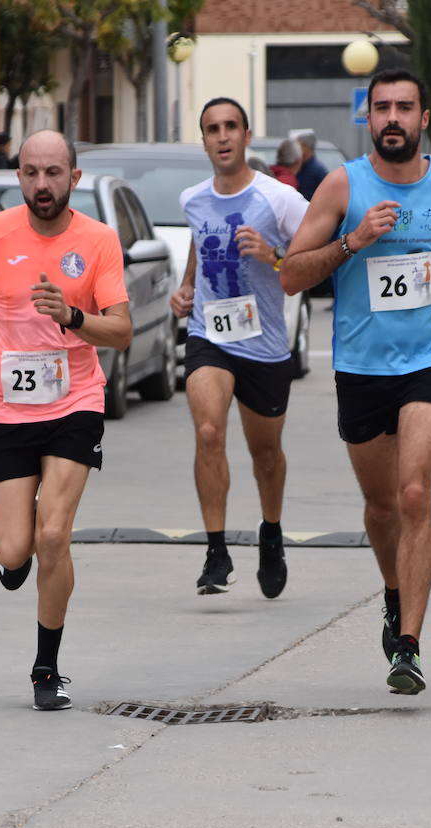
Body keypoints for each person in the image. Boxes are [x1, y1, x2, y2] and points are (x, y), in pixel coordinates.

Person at [279, 69, 431, 695]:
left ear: (425, 118)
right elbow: (291, 275)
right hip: (361, 368)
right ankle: (394, 589)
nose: (393, 118)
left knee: (414, 496)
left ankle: (408, 645)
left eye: (405, 107)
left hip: (429, 361)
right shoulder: (343, 185)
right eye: (382, 108)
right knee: (380, 507)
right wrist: (352, 241)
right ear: (367, 118)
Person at [0, 130, 132, 711]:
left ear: (75, 177)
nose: (42, 185)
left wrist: (71, 316)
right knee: (17, 548)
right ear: (18, 177)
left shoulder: (97, 242)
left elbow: (120, 330)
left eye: (52, 173)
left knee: (53, 535)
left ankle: (47, 667)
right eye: (30, 173)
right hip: (5, 409)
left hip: (75, 403)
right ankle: (10, 559)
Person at [170, 98, 309, 599]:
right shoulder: (193, 198)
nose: (222, 136)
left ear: (247, 135)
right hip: (210, 335)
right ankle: (216, 550)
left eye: (231, 127)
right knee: (209, 431)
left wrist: (274, 256)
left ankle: (270, 533)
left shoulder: (279, 199)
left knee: (265, 453)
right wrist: (187, 287)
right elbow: (197, 241)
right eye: (212, 129)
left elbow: (316, 256)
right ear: (203, 140)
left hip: (265, 344)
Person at [292, 129, 328, 201]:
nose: (295, 149)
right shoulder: (297, 165)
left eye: (299, 146)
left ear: (307, 147)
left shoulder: (318, 170)